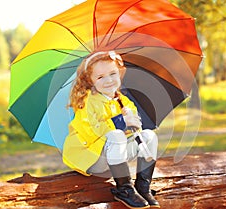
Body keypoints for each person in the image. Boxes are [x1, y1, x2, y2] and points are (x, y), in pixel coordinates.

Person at [62, 51, 160, 208]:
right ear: (90, 80)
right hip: (93, 156)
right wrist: (121, 121)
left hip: (115, 156)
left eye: (112, 74)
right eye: (100, 77)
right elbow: (92, 131)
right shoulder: (87, 102)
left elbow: (135, 127)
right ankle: (124, 189)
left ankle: (143, 188)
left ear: (120, 74)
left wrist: (134, 122)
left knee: (149, 136)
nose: (108, 80)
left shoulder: (122, 100)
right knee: (116, 135)